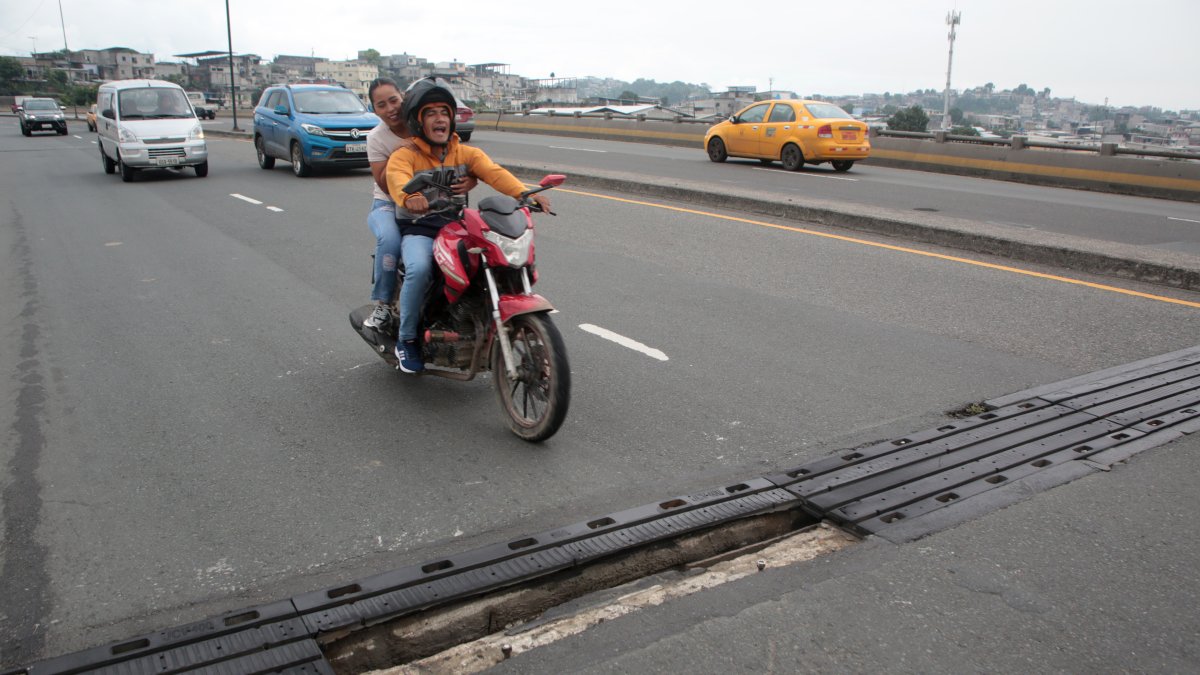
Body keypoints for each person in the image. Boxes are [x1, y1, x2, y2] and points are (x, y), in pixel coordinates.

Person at [386, 77, 550, 374]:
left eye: (444, 112)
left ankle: (483, 319)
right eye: (431, 113)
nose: (440, 119)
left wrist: (524, 195)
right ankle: (406, 339)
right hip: (420, 228)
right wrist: (409, 196)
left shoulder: (466, 153)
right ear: (418, 121)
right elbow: (396, 178)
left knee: (493, 259)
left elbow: (494, 173)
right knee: (420, 269)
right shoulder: (405, 155)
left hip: (456, 226)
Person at [361, 77, 475, 331]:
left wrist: (470, 180)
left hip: (434, 205)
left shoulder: (421, 124)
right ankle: (383, 303)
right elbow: (383, 184)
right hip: (388, 204)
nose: (390, 109)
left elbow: (456, 161)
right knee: (389, 239)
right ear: (374, 110)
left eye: (394, 100)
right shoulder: (377, 138)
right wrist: (401, 155)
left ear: (403, 98)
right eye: (381, 105)